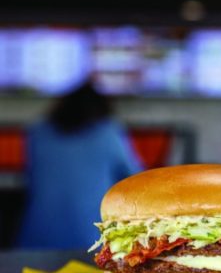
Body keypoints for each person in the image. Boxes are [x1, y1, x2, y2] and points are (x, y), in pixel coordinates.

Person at [17, 81, 141, 249]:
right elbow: (137, 179)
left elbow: (31, 179)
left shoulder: (38, 132)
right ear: (101, 109)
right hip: (92, 243)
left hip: (35, 243)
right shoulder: (108, 133)